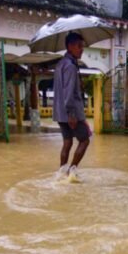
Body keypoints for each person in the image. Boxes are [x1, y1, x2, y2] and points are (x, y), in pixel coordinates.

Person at [53, 32, 91, 181]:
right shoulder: (70, 66)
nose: (81, 49)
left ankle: (61, 173)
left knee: (67, 142)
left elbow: (63, 89)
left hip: (60, 113)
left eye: (82, 46)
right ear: (70, 47)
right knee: (85, 140)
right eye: (79, 46)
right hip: (70, 112)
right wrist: (72, 114)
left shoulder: (61, 64)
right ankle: (72, 171)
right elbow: (68, 92)